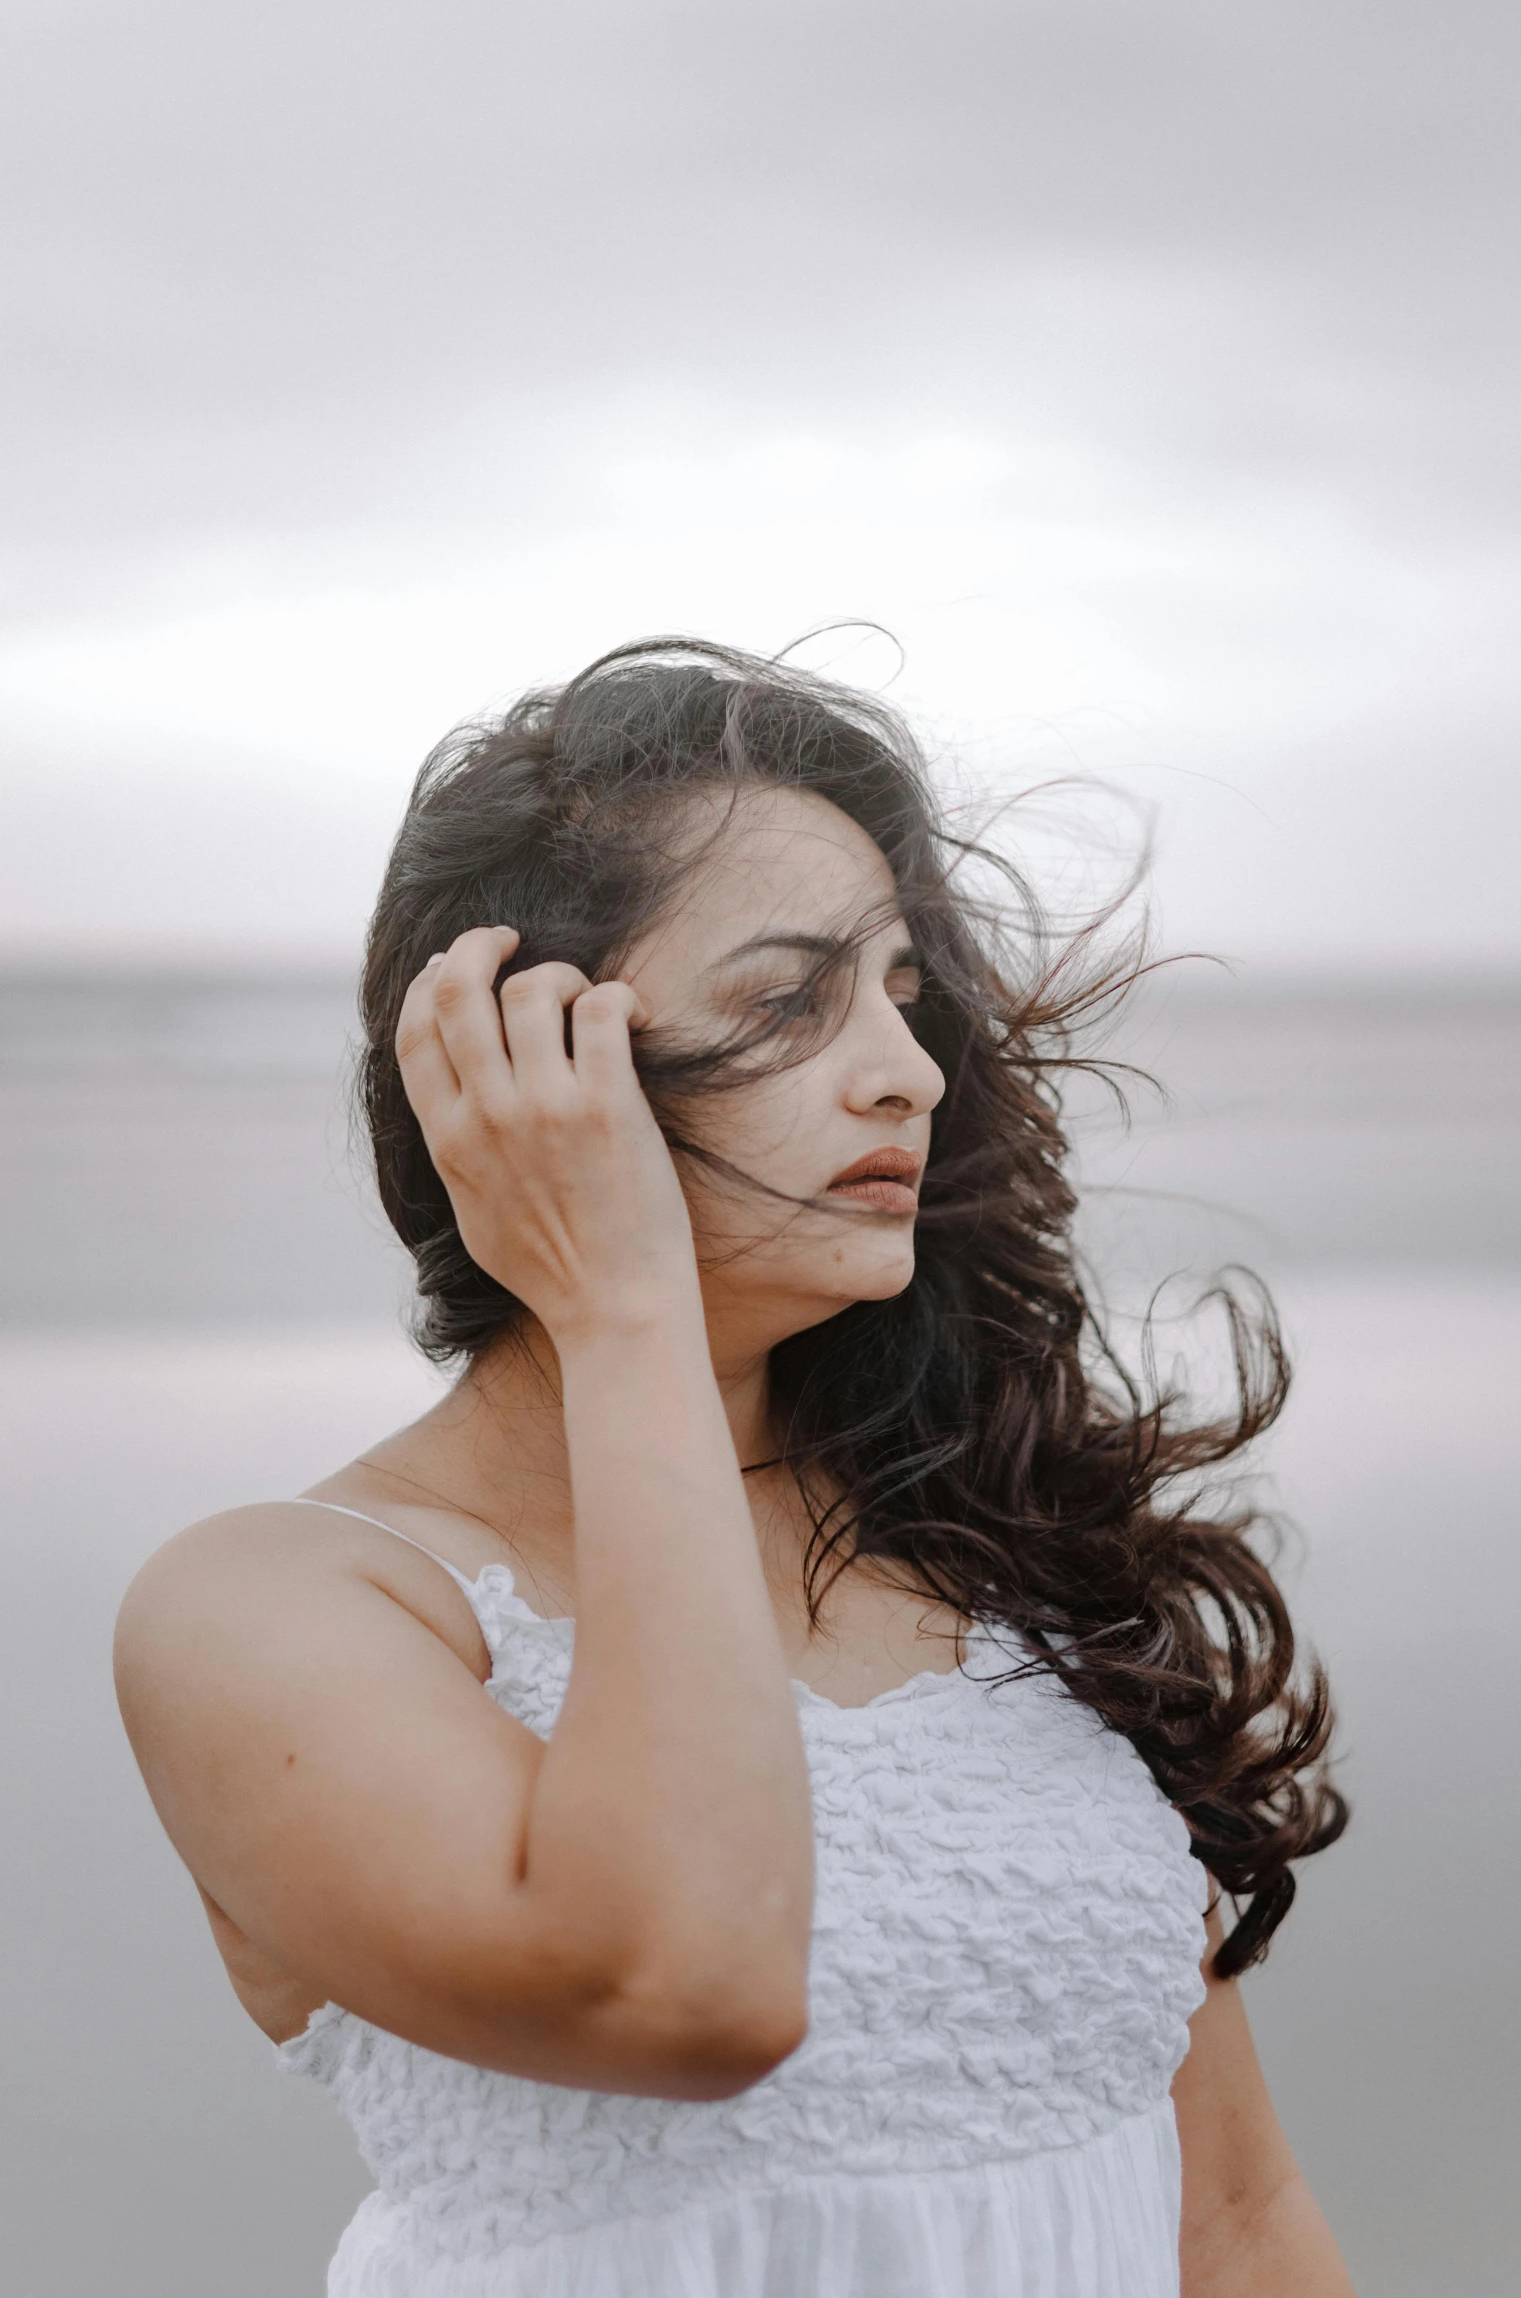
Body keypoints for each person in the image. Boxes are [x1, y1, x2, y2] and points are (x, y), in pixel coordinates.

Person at [115, 639, 1352, 2297]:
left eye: (905, 993)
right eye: (788, 999)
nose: (905, 1068)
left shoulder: (997, 1547)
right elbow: (686, 1985)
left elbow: (1238, 2216)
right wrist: (622, 1310)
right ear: (519, 1070)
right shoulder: (276, 1604)